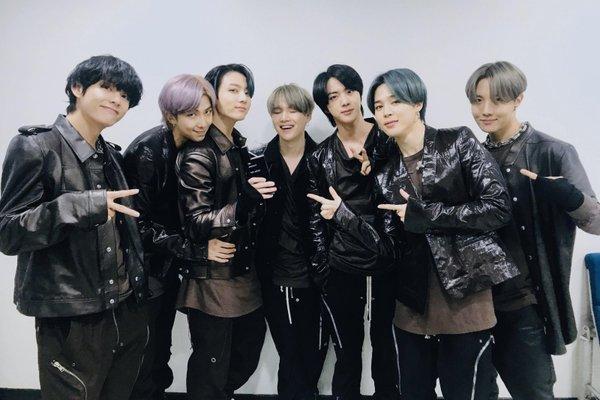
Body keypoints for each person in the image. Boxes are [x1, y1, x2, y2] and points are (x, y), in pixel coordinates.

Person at [309, 68, 519, 399]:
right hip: (411, 308)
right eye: (379, 106)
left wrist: (427, 215)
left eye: (395, 101)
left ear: (417, 102)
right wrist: (345, 217)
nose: (386, 112)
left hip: (465, 302)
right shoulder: (384, 173)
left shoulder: (457, 142)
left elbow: (497, 208)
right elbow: (388, 248)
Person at [0, 55, 146, 400]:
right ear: (77, 88)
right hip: (71, 315)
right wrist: (82, 206)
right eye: (106, 87)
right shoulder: (36, 145)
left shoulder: (111, 155)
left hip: (124, 306)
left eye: (125, 95)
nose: (116, 99)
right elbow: (8, 232)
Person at [465, 61, 600, 400]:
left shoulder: (553, 152)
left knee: (534, 392)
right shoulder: (470, 155)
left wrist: (568, 196)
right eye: (477, 100)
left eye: (497, 100)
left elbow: (596, 222)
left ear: (518, 99)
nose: (485, 110)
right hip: (474, 303)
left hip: (522, 301)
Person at [175, 64, 273, 400]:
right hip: (212, 278)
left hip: (243, 271)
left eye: (247, 91)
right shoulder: (199, 151)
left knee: (243, 357)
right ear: (211, 95)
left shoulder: (237, 145)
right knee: (211, 369)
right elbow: (195, 221)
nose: (243, 98)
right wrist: (244, 204)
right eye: (233, 90)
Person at [124, 74, 218, 400]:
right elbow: (135, 225)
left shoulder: (193, 146)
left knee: (160, 351)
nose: (203, 121)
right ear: (171, 115)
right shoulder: (147, 152)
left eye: (207, 111)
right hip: (143, 270)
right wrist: (192, 249)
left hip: (167, 266)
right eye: (192, 114)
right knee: (144, 357)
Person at [307, 64, 398, 400]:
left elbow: (401, 193)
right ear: (326, 107)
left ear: (360, 94)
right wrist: (322, 268)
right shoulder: (320, 156)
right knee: (347, 353)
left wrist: (377, 165)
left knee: (387, 350)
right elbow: (315, 219)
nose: (344, 101)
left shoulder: (388, 138)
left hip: (389, 263)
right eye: (333, 97)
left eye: (349, 91)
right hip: (342, 266)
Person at [255, 83, 327, 400]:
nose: (284, 117)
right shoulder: (258, 161)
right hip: (275, 277)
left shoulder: (324, 160)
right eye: (277, 111)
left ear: (308, 115)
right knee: (291, 357)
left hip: (319, 277)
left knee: (312, 358)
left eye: (293, 110)